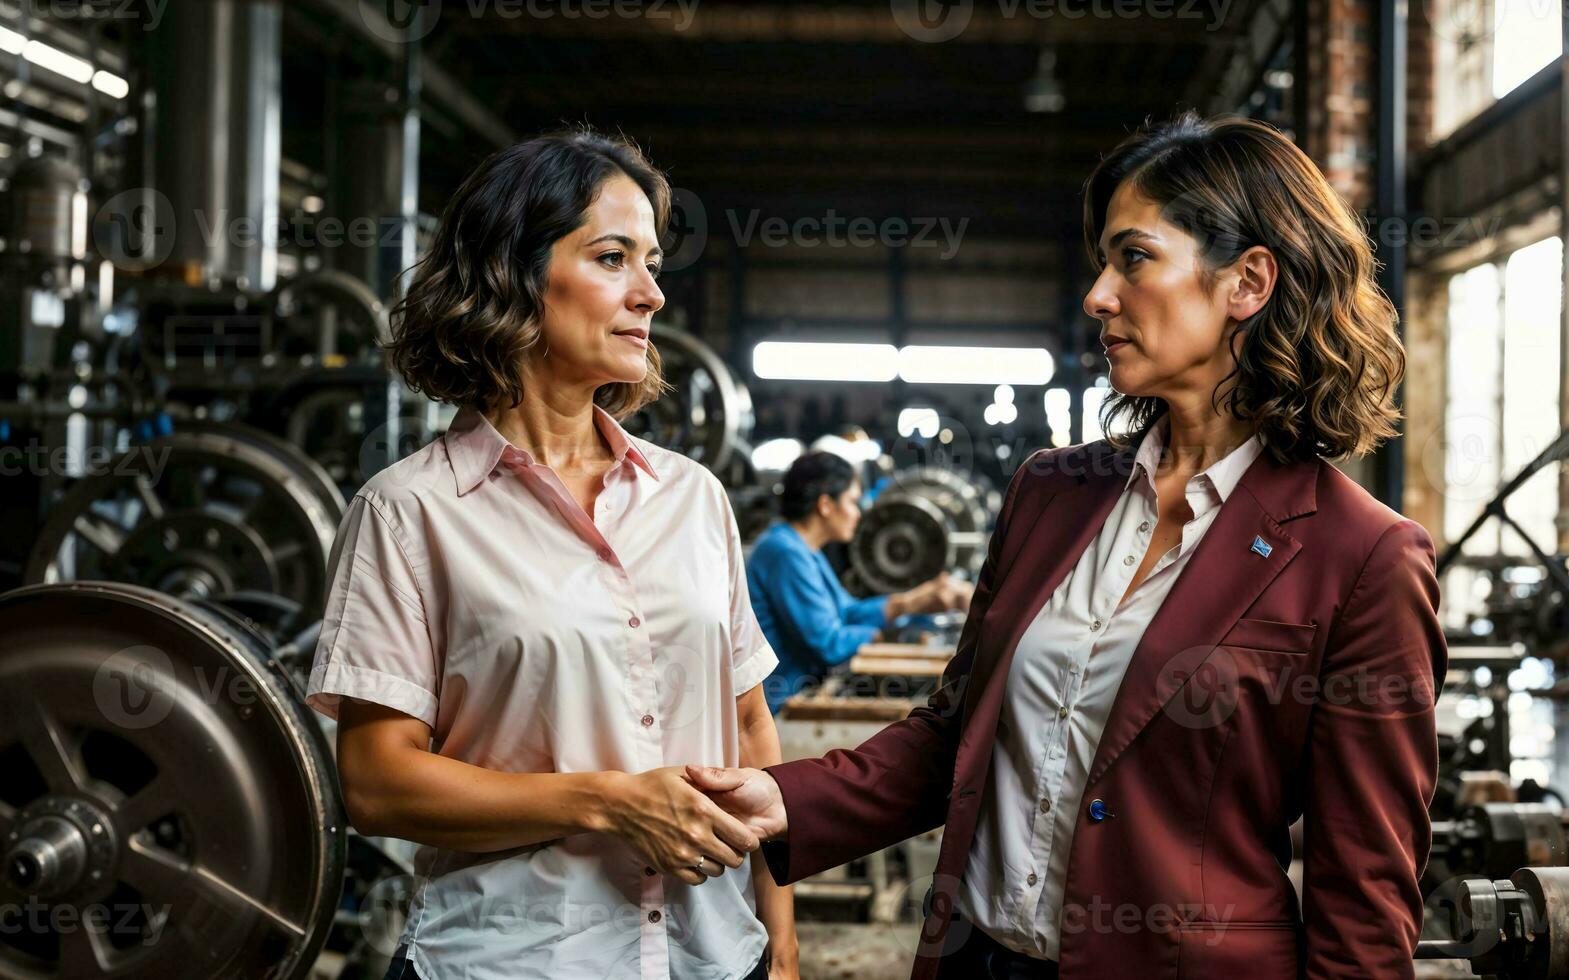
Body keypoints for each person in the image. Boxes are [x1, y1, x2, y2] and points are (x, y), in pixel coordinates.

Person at [689, 111, 1446, 980]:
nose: (1097, 295)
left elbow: (1363, 898)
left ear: (1246, 282)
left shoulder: (1362, 556)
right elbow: (955, 737)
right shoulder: (1054, 492)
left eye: (1134, 257)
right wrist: (782, 799)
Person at [305, 129, 797, 980]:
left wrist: (781, 941)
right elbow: (379, 785)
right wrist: (608, 803)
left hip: (713, 957)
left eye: (652, 262)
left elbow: (751, 728)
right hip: (512, 960)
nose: (651, 295)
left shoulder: (691, 499)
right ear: (512, 273)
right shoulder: (409, 512)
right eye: (614, 259)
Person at [747, 451, 974, 712]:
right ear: (825, 505)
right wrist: (883, 633)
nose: (858, 514)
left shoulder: (804, 550)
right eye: (853, 502)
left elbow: (846, 612)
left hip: (801, 690)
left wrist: (913, 601)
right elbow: (829, 644)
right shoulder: (784, 552)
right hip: (778, 703)